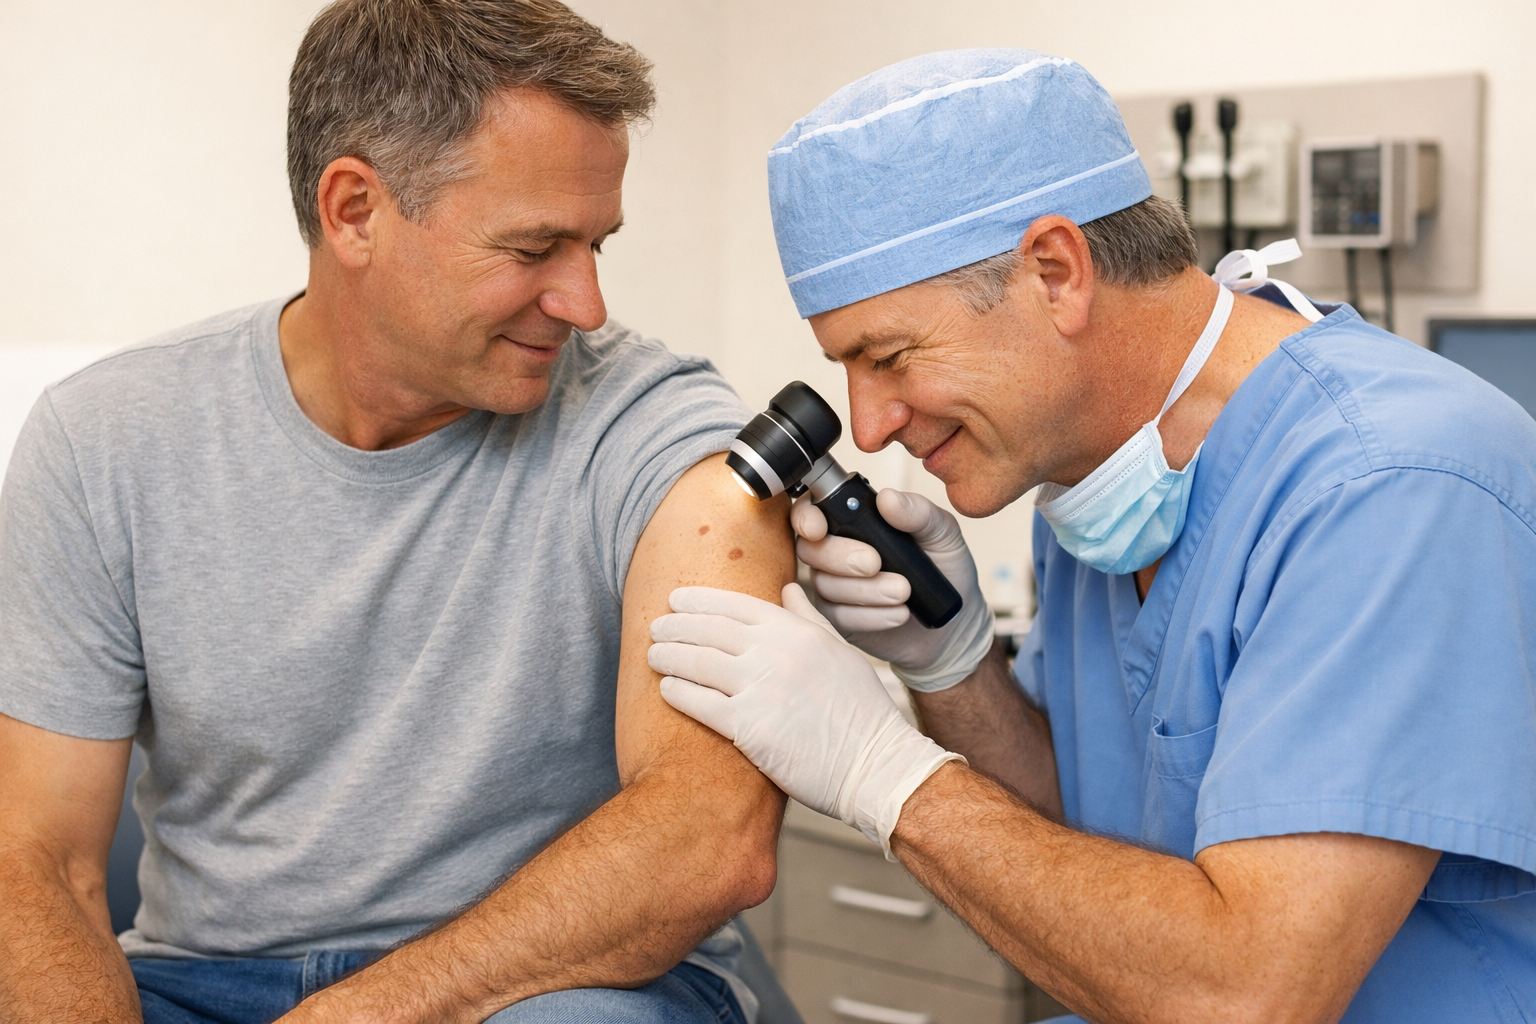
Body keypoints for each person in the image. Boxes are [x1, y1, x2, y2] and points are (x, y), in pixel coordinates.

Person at [649, 48, 1536, 1023]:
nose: (868, 427)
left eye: (890, 356)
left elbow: (1250, 990)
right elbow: (1085, 840)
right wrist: (954, 669)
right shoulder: (1104, 478)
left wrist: (886, 774)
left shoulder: (1391, 486)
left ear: (1056, 270)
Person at [0, 2, 794, 1022]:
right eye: (536, 246)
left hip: (552, 980)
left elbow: (705, 832)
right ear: (355, 211)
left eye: (597, 244)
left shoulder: (657, 429)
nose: (586, 301)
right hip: (198, 982)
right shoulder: (102, 441)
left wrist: (352, 1014)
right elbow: (40, 862)